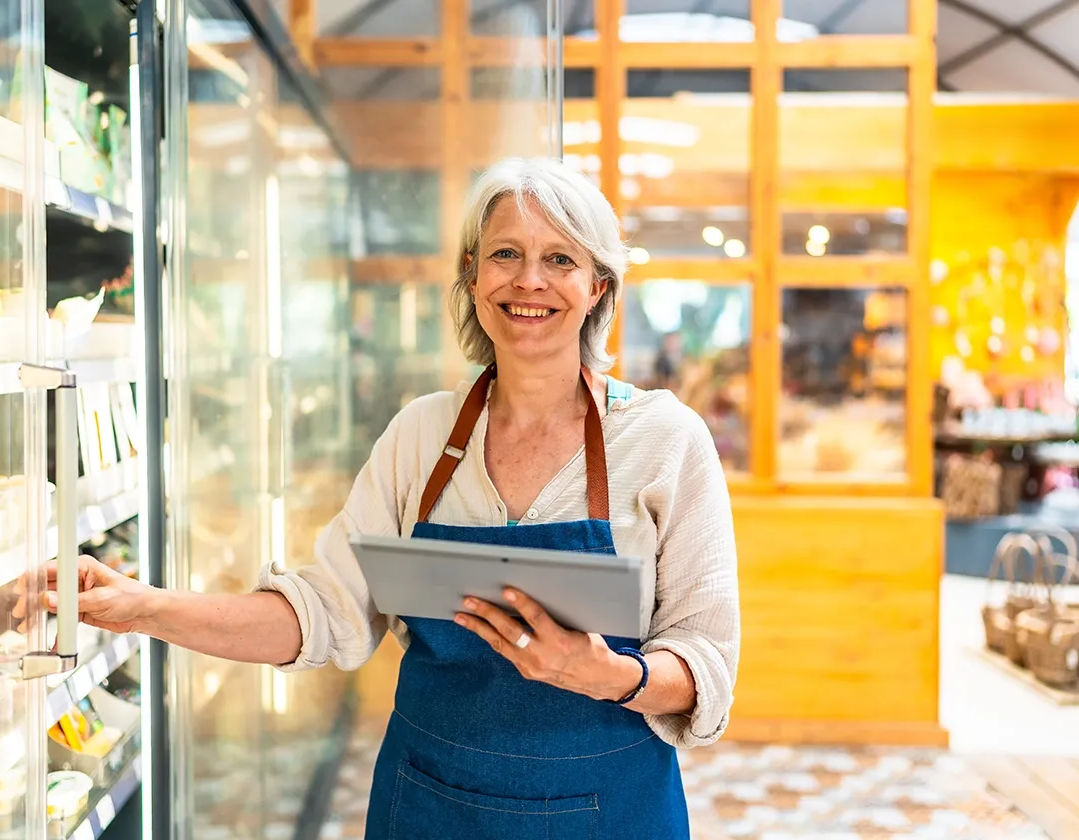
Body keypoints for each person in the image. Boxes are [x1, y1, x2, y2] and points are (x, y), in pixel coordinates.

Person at [39, 157, 739, 839]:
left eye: (561, 259)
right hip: (431, 803)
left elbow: (705, 661)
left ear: (598, 286)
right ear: (471, 277)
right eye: (505, 254)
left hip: (607, 809)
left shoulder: (664, 440)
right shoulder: (421, 436)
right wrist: (142, 607)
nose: (530, 280)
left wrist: (609, 674)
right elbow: (319, 613)